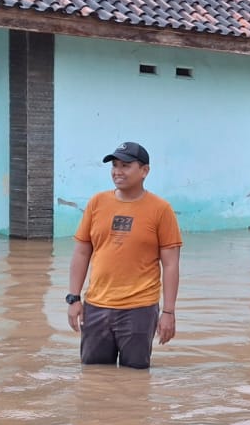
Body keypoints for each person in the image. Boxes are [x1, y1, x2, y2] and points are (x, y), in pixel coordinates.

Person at [66, 142, 182, 369]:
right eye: (115, 165)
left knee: (135, 379)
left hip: (139, 308)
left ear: (144, 171)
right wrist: (74, 298)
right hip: (97, 306)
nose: (117, 171)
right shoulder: (97, 203)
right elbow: (81, 252)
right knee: (94, 378)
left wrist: (168, 311)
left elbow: (170, 264)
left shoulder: (161, 209)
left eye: (126, 165)